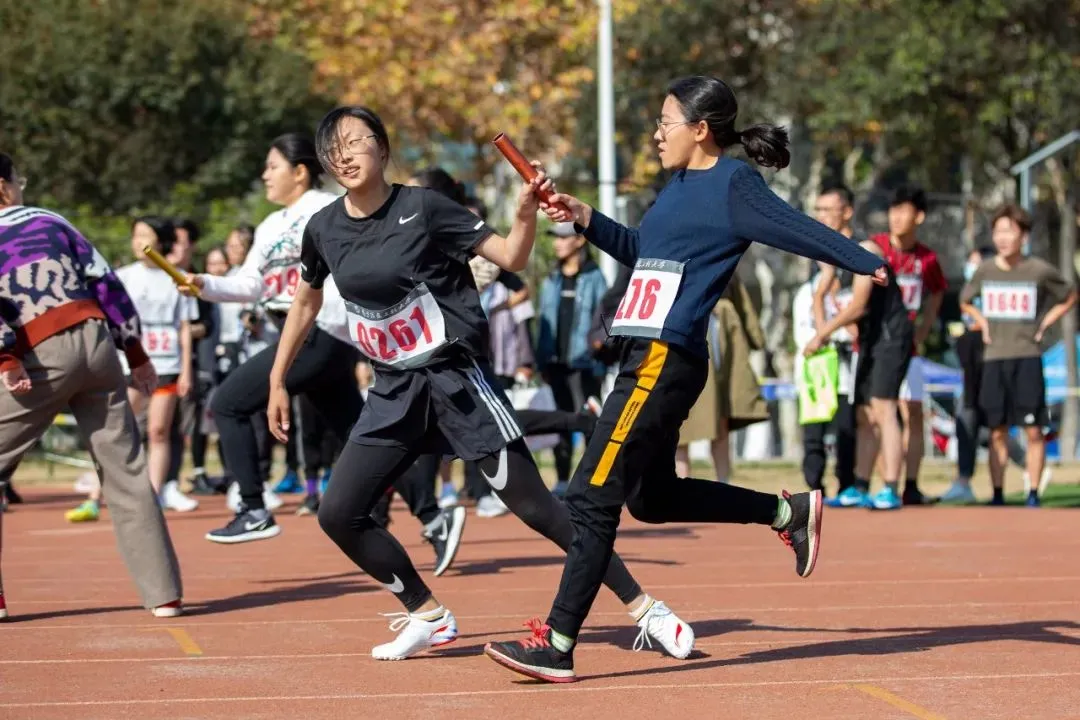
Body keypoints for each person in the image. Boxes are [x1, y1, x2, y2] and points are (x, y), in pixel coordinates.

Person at [483, 75, 887, 683]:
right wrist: (584, 217)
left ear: (700, 129)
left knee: (590, 496)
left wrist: (865, 260)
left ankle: (558, 642)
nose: (655, 134)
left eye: (664, 122)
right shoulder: (674, 186)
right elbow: (647, 251)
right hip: (646, 357)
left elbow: (797, 227)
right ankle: (787, 514)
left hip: (662, 361)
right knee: (651, 498)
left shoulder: (734, 183)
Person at [271, 105, 694, 663]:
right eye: (334, 148)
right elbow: (306, 300)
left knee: (539, 508)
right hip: (393, 390)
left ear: (383, 147)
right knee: (338, 512)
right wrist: (278, 377)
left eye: (356, 141)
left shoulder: (424, 208)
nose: (344, 155)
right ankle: (427, 615)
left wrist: (523, 212)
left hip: (455, 383)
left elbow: (512, 255)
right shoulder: (323, 227)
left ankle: (646, 609)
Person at [182, 134, 457, 558]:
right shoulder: (271, 226)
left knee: (229, 403)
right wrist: (204, 285)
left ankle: (253, 507)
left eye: (272, 166)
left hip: (323, 332)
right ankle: (434, 517)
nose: (264, 175)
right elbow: (251, 284)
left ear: (299, 171)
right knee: (359, 435)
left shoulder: (327, 210)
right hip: (302, 337)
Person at [0, 152, 183, 619]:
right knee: (124, 469)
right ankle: (163, 595)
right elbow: (105, 283)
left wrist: (6, 358)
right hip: (97, 343)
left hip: (40, 352)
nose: (21, 187)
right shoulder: (52, 220)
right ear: (4, 186)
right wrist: (137, 354)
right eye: (18, 181)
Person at [960, 204, 1076, 507]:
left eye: (1009, 231)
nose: (1003, 238)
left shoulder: (1038, 270)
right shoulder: (985, 270)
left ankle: (1033, 493)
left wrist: (1045, 323)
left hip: (1027, 357)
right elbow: (965, 301)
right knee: (997, 430)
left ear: (1023, 236)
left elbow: (1069, 295)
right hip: (994, 358)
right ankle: (997, 494)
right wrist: (982, 322)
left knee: (1033, 429)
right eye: (998, 231)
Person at [804, 240, 913, 511]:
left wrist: (822, 335)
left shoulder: (864, 250)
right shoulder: (834, 268)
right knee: (864, 414)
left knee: (884, 408)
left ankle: (890, 488)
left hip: (890, 339)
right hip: (868, 341)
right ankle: (861, 486)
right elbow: (834, 314)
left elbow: (859, 306)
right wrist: (825, 285)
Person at [806, 185, 859, 502]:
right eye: (819, 210)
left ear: (847, 211)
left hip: (847, 350)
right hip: (818, 350)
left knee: (847, 424)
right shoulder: (813, 251)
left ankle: (849, 484)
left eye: (829, 209)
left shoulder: (860, 250)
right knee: (814, 424)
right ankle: (814, 489)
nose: (822, 216)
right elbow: (815, 296)